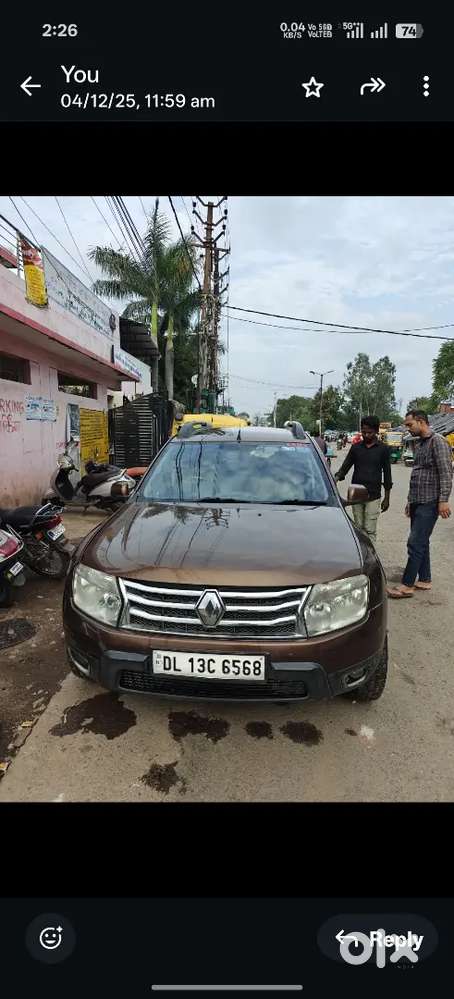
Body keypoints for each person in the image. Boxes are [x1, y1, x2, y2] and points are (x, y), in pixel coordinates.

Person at [387, 410, 452, 598]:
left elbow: (446, 473)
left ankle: (407, 585)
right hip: (417, 500)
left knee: (415, 543)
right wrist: (410, 501)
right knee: (422, 542)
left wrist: (443, 500)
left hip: (430, 502)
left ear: (421, 422)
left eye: (410, 425)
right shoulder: (420, 443)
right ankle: (424, 579)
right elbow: (417, 474)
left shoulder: (438, 441)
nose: (407, 428)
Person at [334, 415, 392, 543]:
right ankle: (360, 551)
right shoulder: (356, 448)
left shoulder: (383, 449)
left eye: (369, 432)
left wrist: (387, 497)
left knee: (370, 529)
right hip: (356, 493)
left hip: (374, 495)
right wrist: (334, 480)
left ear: (376, 431)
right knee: (358, 527)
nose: (366, 435)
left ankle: (370, 553)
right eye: (364, 432)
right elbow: (345, 467)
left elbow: (387, 474)